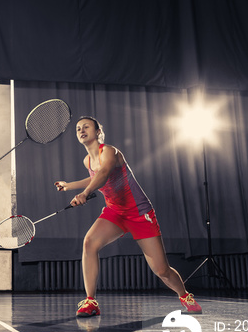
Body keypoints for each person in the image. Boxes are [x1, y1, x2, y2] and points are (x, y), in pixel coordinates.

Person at [54, 116, 202, 317]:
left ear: (98, 131)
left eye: (86, 126)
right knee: (89, 242)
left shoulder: (110, 151)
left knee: (162, 271)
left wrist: (85, 193)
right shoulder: (87, 160)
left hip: (140, 213)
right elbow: (94, 176)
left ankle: (184, 296)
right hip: (115, 212)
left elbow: (104, 173)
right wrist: (69, 185)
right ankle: (91, 302)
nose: (81, 130)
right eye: (78, 128)